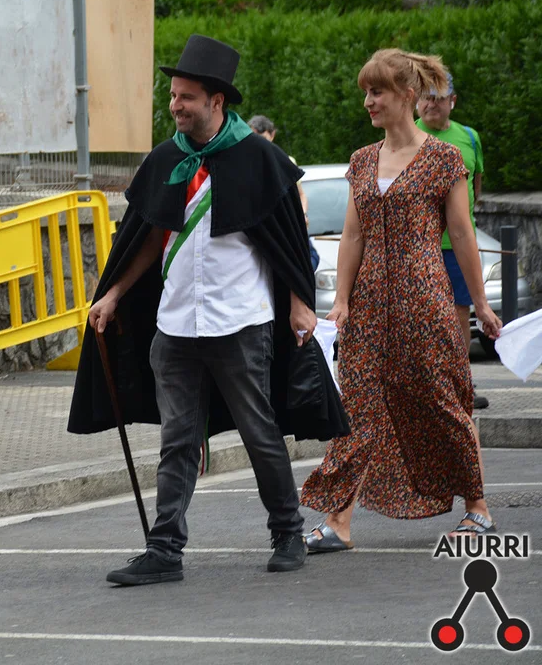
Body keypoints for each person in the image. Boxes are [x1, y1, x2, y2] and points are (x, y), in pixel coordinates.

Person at [68, 35, 348, 587]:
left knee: (259, 433)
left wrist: (299, 303)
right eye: (173, 95)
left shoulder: (259, 159)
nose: (175, 105)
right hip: (175, 325)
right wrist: (115, 292)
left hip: (239, 322)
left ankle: (287, 532)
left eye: (186, 97)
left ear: (216, 101)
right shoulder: (166, 159)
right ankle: (164, 550)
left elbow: (289, 241)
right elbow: (149, 234)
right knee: (177, 441)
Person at [300, 49, 502, 552]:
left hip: (425, 298)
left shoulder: (443, 158)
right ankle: (338, 521)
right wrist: (341, 300)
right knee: (358, 403)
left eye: (378, 92)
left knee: (441, 398)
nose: (368, 101)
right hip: (369, 302)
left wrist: (480, 303)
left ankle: (477, 507)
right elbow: (352, 235)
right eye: (366, 92)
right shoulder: (362, 160)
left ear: (408, 96)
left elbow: (462, 233)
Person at [416, 72, 489, 411]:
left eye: (439, 98)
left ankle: (461, 385)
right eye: (426, 97)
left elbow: (475, 187)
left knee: (461, 312)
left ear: (453, 101)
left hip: (458, 247)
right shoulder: (409, 135)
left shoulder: (469, 138)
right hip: (422, 246)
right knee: (422, 316)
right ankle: (426, 386)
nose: (432, 104)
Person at [250, 114, 319, 271]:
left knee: (309, 259)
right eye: (254, 138)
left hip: (287, 227)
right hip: (266, 230)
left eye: (263, 139)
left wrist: (302, 215)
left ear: (272, 135)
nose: (259, 144)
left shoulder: (287, 161)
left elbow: (301, 195)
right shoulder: (247, 164)